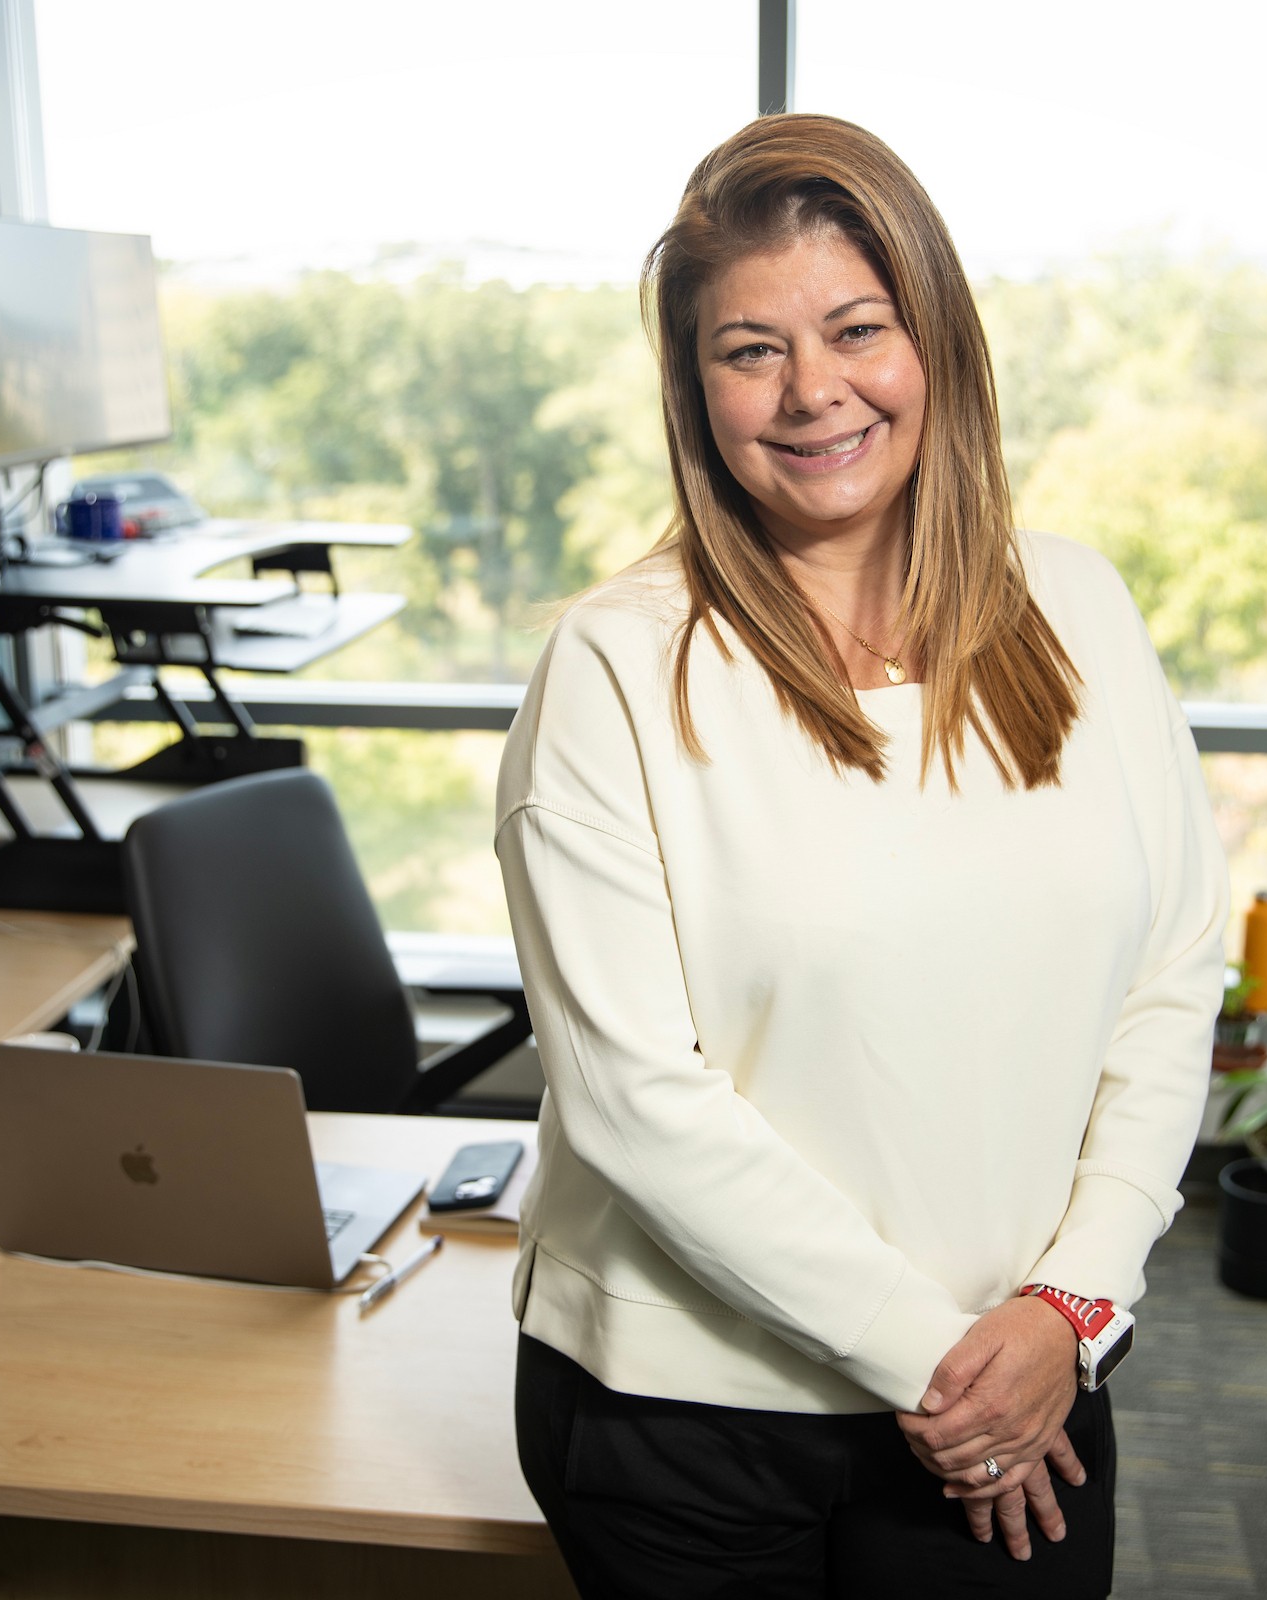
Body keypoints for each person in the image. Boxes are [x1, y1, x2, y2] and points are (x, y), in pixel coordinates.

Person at [496, 114, 1228, 1599]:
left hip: (1033, 1373)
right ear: (694, 392)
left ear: (936, 343)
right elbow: (638, 1102)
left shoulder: (1080, 611)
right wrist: (959, 1371)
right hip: (689, 1423)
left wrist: (1072, 1310)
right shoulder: (619, 669)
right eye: (749, 349)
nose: (812, 390)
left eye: (855, 328)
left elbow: (1171, 976)